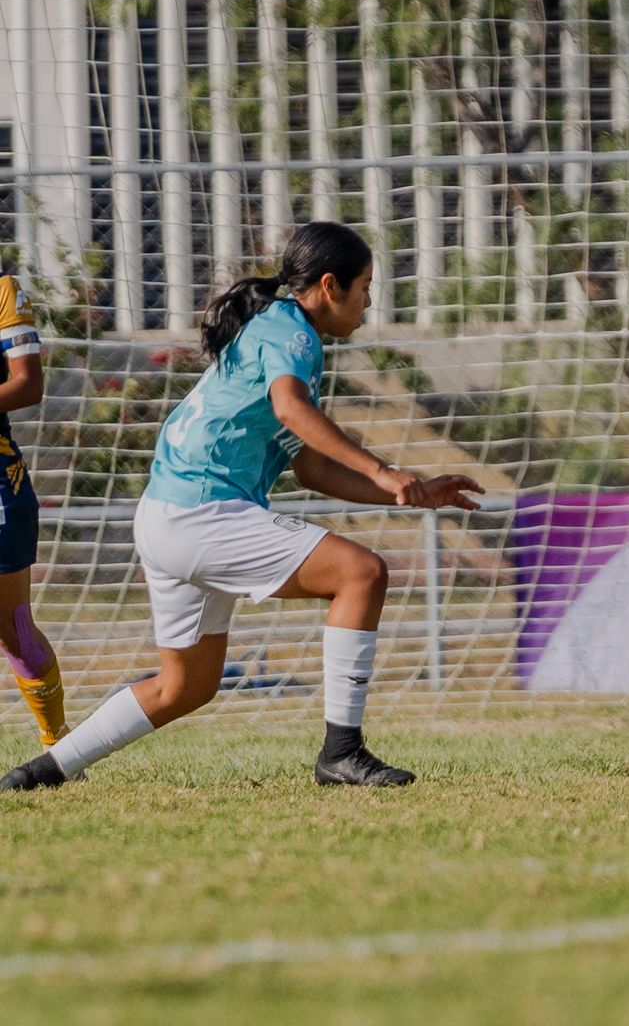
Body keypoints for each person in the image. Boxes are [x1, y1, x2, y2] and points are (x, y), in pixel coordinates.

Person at [1, 222, 484, 792]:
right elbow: (288, 408)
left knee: (185, 687)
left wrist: (408, 491)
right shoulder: (294, 334)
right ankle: (342, 752)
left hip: (165, 517)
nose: (369, 301)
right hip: (203, 513)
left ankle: (40, 772)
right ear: (330, 286)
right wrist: (382, 469)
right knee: (363, 573)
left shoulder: (276, 328)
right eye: (365, 287)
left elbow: (310, 466)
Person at [0, 271, 70, 750]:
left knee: (14, 631)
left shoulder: (3, 290)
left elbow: (27, 384)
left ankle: (59, 745)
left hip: (0, 489)